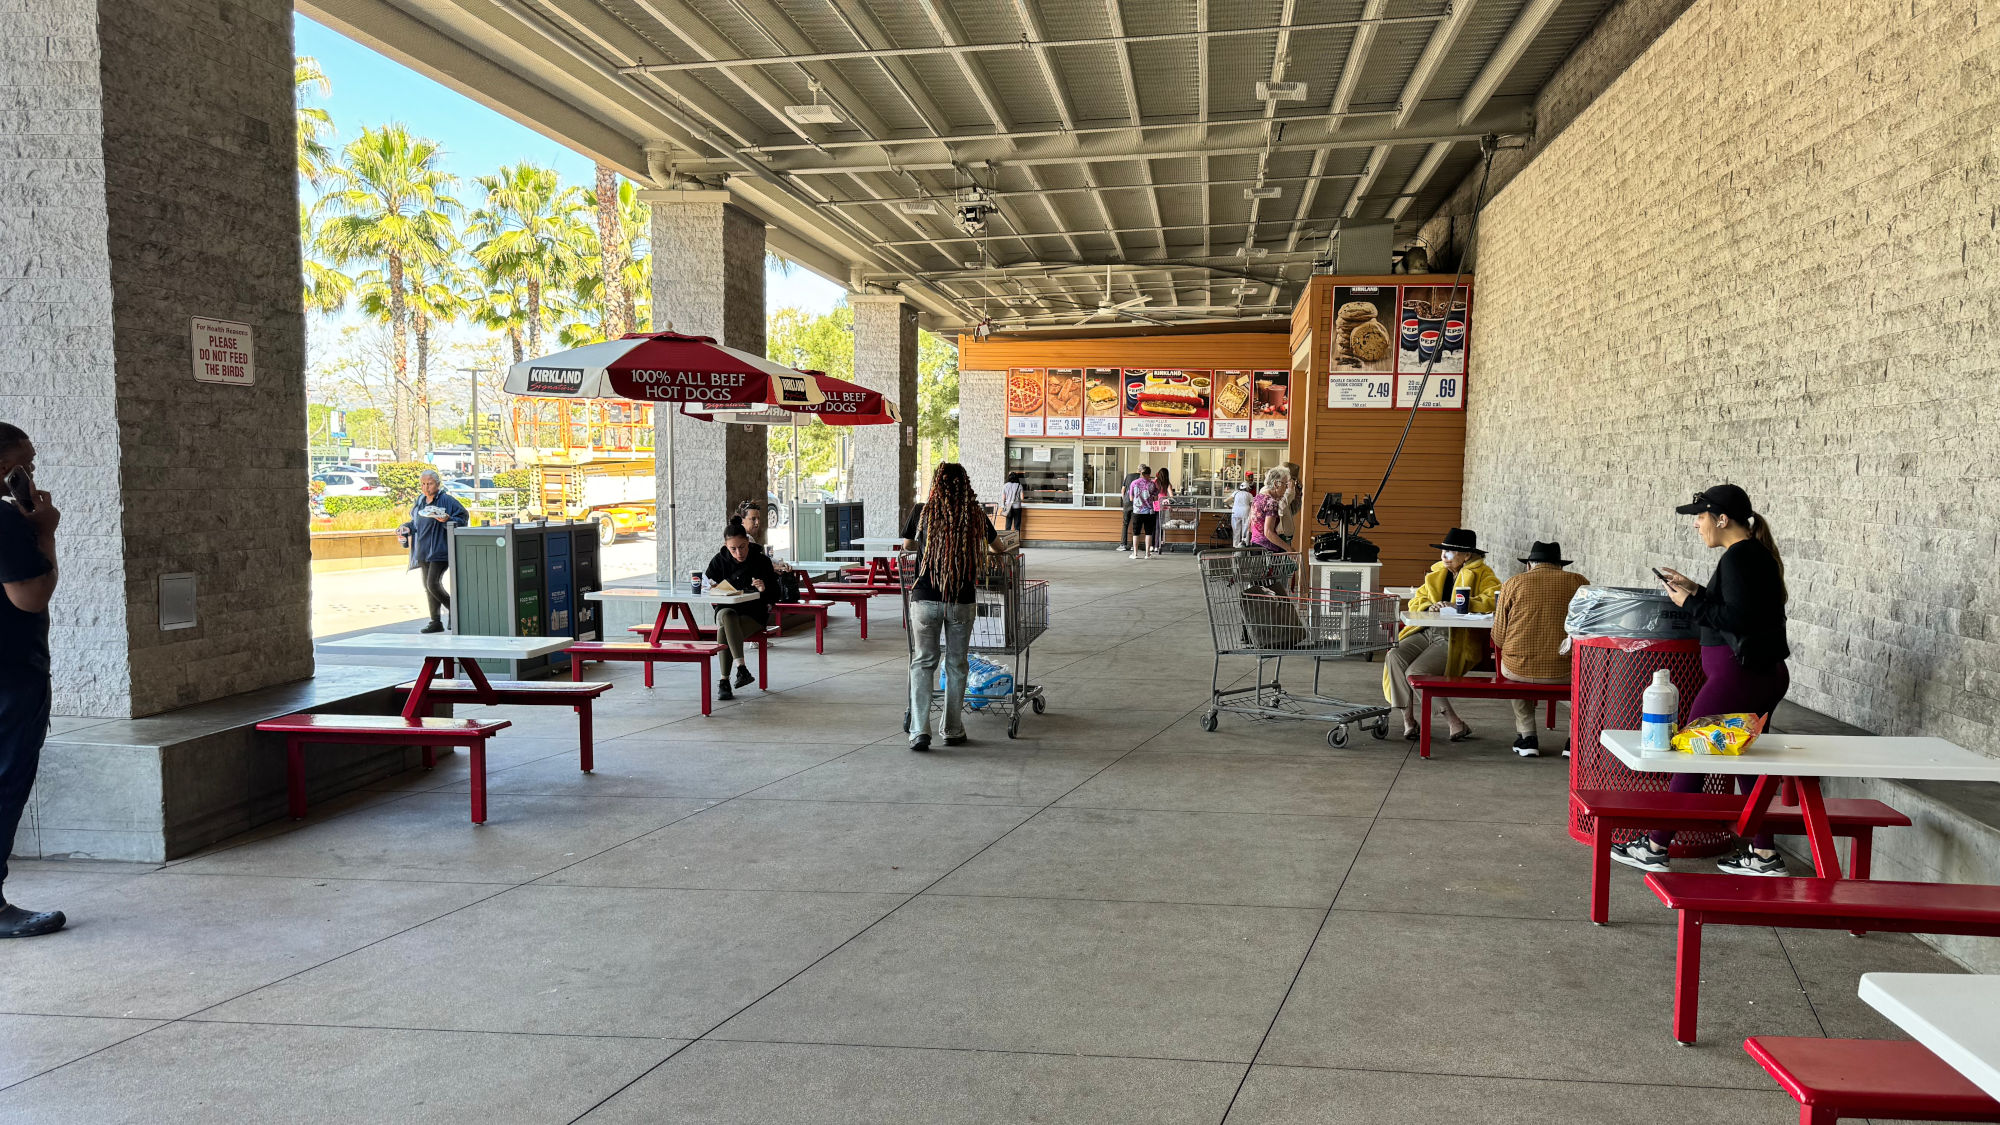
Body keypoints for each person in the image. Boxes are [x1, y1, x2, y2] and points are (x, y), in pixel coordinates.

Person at [1613, 484, 1794, 877]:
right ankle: (1763, 855)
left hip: (1738, 674)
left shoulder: (1739, 556)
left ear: (1722, 518)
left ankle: (1655, 845)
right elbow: (1740, 608)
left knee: (1691, 751)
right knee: (1744, 760)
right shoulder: (1750, 554)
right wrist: (1696, 589)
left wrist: (1689, 603)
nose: (1696, 524)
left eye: (1700, 516)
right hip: (1760, 673)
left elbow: (1737, 621)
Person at [0, 423, 64, 938]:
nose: (30, 473)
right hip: (10, 674)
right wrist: (44, 530)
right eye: (26, 464)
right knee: (5, 780)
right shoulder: (5, 521)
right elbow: (30, 597)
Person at [902, 462, 996, 751]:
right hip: (961, 601)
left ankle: (920, 730)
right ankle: (953, 729)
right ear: (965, 485)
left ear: (936, 484)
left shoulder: (922, 511)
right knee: (956, 664)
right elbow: (997, 548)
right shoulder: (976, 515)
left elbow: (907, 545)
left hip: (925, 598)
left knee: (922, 662)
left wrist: (934, 547)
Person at [1382, 528, 1501, 742]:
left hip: (1456, 638)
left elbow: (1492, 600)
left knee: (1417, 671)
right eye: (1443, 550)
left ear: (1467, 555)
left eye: (1450, 551)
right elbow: (1415, 601)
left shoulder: (1483, 574)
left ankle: (1453, 721)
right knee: (1394, 655)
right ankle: (1408, 719)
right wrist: (1430, 606)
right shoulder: (1437, 573)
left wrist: (1461, 605)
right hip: (1426, 631)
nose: (1444, 556)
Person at [1491, 541, 1590, 757]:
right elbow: (1588, 628)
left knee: (1512, 663)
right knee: (1587, 674)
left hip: (1518, 669)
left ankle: (1528, 738)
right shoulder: (1578, 583)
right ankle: (1574, 741)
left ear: (1529, 565)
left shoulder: (1513, 583)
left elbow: (1498, 637)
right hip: (1566, 672)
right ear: (1560, 566)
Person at [704, 522, 781, 701]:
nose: (739, 553)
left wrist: (764, 588)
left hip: (753, 613)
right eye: (733, 549)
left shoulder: (761, 560)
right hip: (727, 609)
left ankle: (725, 681)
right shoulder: (718, 560)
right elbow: (706, 585)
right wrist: (712, 588)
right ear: (726, 546)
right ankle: (741, 668)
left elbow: (776, 594)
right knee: (727, 615)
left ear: (748, 542)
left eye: (742, 547)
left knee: (725, 626)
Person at [401, 470, 468, 634]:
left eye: (429, 483)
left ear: (438, 484)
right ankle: (435, 621)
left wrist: (447, 520)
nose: (425, 487)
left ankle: (455, 610)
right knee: (427, 586)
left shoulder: (447, 500)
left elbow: (463, 517)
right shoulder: (420, 501)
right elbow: (415, 523)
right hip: (423, 550)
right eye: (423, 484)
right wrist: (406, 528)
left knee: (432, 584)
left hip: (440, 550)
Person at [1124, 469, 1158, 561]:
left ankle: (1135, 553)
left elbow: (1131, 498)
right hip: (1149, 512)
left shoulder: (1134, 483)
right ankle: (1147, 554)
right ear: (1149, 474)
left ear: (1141, 473)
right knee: (1149, 533)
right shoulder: (1152, 484)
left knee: (1136, 533)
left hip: (1137, 512)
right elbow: (1155, 497)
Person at [1118, 464, 1147, 551]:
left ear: (1137, 469)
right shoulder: (1143, 479)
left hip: (1127, 503)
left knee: (1125, 524)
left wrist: (1124, 500)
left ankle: (1123, 545)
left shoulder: (1129, 476)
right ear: (1144, 471)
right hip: (1137, 503)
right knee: (1136, 524)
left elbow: (1123, 489)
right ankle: (1133, 546)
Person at [1148, 467, 1174, 556]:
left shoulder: (1155, 482)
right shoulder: (1167, 484)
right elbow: (1171, 496)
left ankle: (1151, 546)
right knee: (1160, 526)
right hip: (1163, 506)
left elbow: (1150, 493)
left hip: (1154, 505)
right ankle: (1157, 545)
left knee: (1152, 526)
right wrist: (1169, 502)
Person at [1230, 479, 1255, 547]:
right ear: (1247, 488)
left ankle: (1235, 546)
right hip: (1245, 512)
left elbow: (1226, 500)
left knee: (1236, 530)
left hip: (1235, 512)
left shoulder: (1236, 492)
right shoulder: (1249, 495)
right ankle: (1244, 545)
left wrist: (1229, 506)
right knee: (1245, 529)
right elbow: (1252, 505)